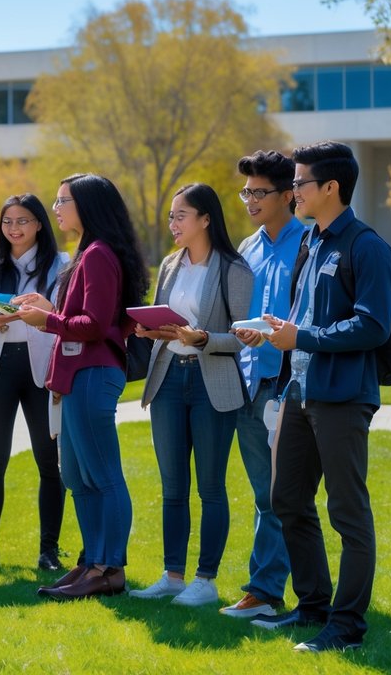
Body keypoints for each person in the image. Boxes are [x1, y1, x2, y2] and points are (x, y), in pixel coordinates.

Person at [257, 141, 391, 653]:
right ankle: (313, 606)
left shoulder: (367, 246)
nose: (292, 191)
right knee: (286, 498)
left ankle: (347, 625)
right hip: (298, 389)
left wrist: (304, 338)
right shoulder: (311, 243)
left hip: (342, 396)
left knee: (347, 511)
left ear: (330, 187)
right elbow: (306, 320)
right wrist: (277, 331)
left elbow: (373, 324)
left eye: (299, 183)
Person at [14, 174, 148, 600]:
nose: (55, 209)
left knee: (102, 475)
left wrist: (46, 321)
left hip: (93, 372)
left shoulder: (98, 255)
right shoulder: (88, 252)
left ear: (87, 205)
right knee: (76, 475)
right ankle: (91, 561)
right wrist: (51, 310)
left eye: (62, 201)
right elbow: (96, 316)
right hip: (78, 374)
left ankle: (109, 568)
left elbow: (93, 327)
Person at [129, 183, 253, 607]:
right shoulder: (169, 265)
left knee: (212, 488)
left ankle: (206, 579)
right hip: (168, 380)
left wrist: (202, 338)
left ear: (205, 219)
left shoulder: (234, 269)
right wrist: (151, 330)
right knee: (172, 487)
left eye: (181, 215)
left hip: (210, 384)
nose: (173, 224)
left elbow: (242, 336)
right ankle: (173, 576)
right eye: (171, 216)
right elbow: (165, 322)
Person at [0, 194, 66, 571]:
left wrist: (41, 311)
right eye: (8, 221)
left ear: (39, 223)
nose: (14, 229)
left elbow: (67, 316)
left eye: (22, 221)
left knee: (49, 462)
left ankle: (48, 550)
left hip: (43, 369)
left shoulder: (61, 265)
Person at [222, 151, 305, 619]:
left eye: (259, 192)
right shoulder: (246, 249)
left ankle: (267, 590)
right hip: (248, 381)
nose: (250, 200)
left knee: (282, 492)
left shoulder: (309, 244)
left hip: (289, 384)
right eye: (246, 191)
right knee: (263, 492)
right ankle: (269, 589)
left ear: (288, 194)